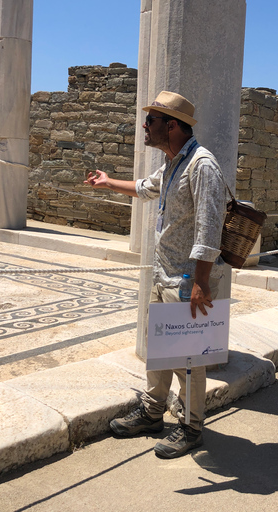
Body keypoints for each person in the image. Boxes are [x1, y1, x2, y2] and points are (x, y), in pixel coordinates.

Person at [84, 91, 227, 458]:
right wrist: (108, 181)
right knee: (160, 352)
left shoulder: (202, 165)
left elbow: (209, 229)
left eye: (151, 121)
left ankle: (192, 427)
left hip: (184, 281)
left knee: (188, 359)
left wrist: (200, 282)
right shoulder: (173, 163)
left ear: (173, 125)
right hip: (163, 274)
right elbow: (146, 189)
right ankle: (152, 411)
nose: (145, 127)